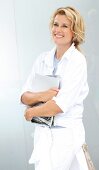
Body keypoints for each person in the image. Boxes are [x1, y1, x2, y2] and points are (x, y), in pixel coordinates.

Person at [20, 6, 89, 170]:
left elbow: (59, 105)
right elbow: (23, 96)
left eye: (65, 26)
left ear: (75, 32)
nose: (58, 30)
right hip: (43, 133)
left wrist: (31, 112)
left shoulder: (77, 61)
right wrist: (44, 95)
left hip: (65, 135)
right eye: (56, 24)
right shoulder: (42, 59)